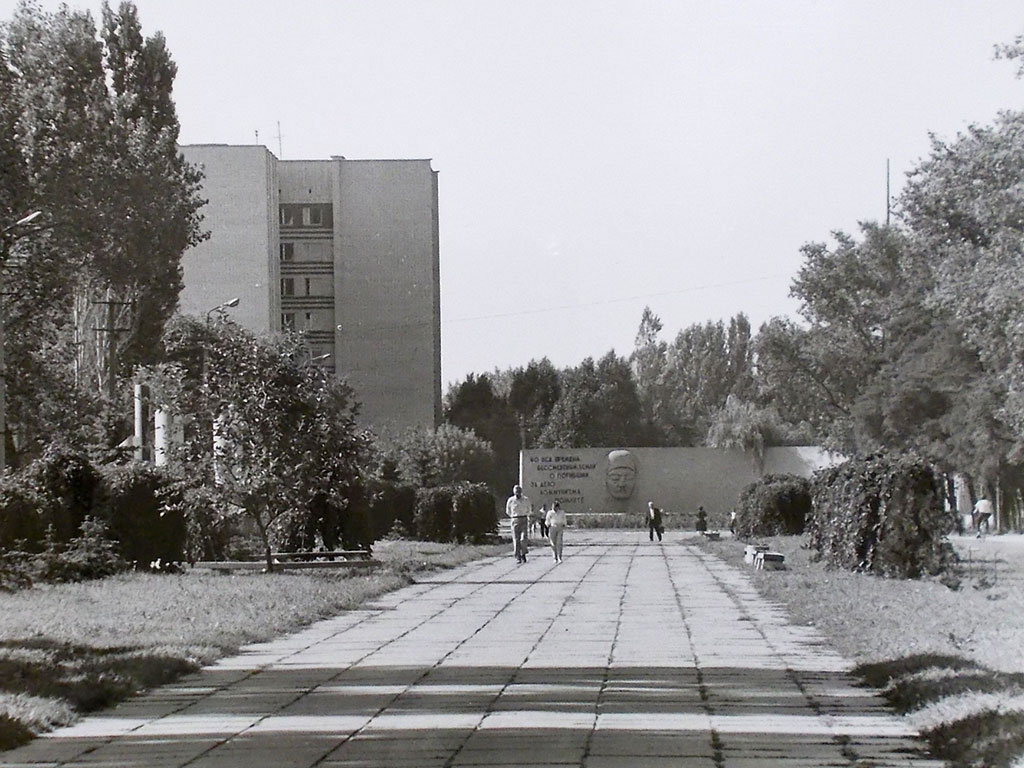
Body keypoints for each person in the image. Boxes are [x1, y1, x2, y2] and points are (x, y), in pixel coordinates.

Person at [505, 484, 532, 563]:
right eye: (516, 492)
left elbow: (529, 509)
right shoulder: (511, 500)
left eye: (519, 491)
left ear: (521, 492)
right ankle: (517, 556)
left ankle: (523, 553)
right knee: (516, 539)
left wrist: (526, 515)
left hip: (523, 518)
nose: (518, 493)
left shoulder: (526, 499)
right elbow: (508, 511)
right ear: (514, 492)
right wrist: (513, 517)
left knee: (523, 539)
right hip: (515, 519)